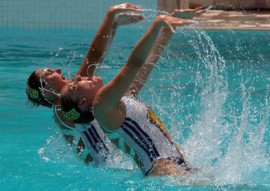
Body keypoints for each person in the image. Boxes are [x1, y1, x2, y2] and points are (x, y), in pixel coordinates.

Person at [60, 14, 197, 176]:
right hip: (163, 167)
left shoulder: (115, 104)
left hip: (171, 163)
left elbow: (145, 65)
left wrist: (167, 29)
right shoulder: (101, 106)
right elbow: (133, 64)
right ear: (83, 102)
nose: (81, 77)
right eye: (75, 85)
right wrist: (157, 24)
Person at [26, 3, 144, 165]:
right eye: (50, 73)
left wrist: (113, 26)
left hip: (106, 168)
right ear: (45, 91)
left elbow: (97, 59)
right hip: (113, 167)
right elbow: (94, 57)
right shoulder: (67, 102)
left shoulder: (62, 110)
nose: (58, 69)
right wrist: (110, 17)